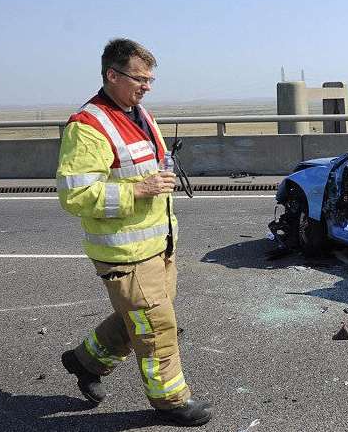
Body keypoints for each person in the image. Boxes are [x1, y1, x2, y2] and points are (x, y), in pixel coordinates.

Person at [56, 38, 211, 426]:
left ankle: (85, 361)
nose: (147, 86)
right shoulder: (88, 126)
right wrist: (138, 190)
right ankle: (171, 400)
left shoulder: (140, 114)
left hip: (159, 243)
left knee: (139, 318)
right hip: (126, 253)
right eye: (139, 78)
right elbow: (75, 195)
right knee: (156, 325)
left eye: (150, 79)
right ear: (112, 74)